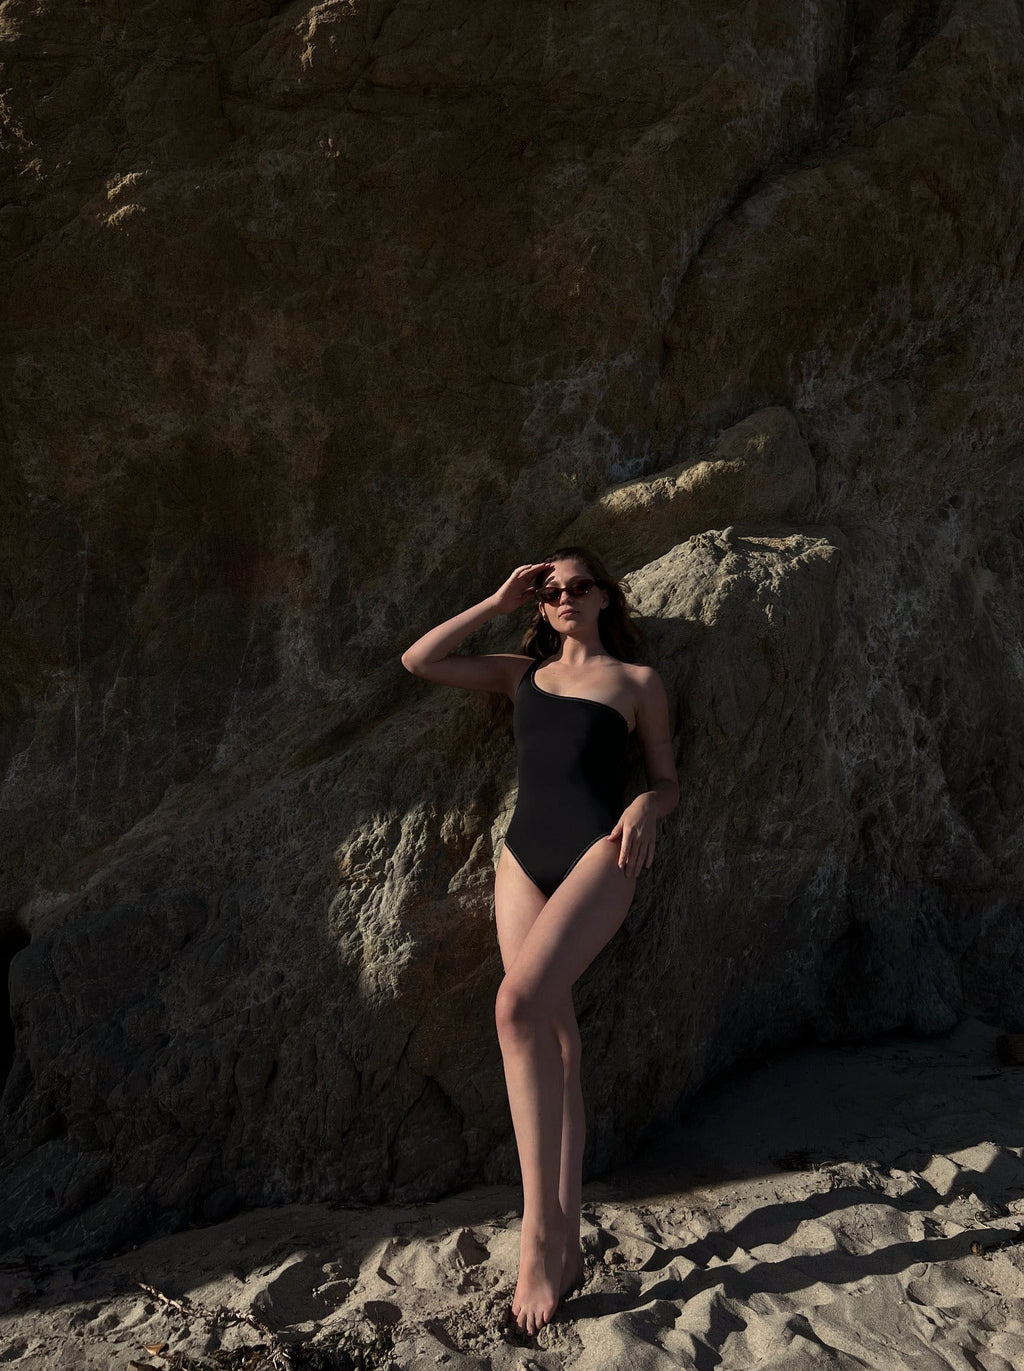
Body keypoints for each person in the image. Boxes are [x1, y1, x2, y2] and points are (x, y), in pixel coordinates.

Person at [400, 545, 679, 1335]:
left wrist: (646, 809)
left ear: (603, 597)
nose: (563, 596)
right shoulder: (521, 672)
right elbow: (420, 660)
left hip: (602, 853)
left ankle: (541, 1235)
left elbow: (668, 779)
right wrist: (497, 597)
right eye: (550, 589)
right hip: (522, 858)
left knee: (517, 1005)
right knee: (555, 1040)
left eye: (576, 585)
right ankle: (570, 1235)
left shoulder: (637, 683)